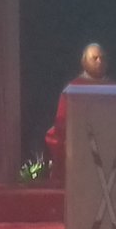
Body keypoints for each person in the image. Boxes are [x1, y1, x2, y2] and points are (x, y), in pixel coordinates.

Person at [44, 43, 110, 181]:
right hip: (80, 148)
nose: (99, 61)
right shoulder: (74, 89)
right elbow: (61, 123)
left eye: (102, 58)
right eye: (95, 58)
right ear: (84, 62)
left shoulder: (115, 90)